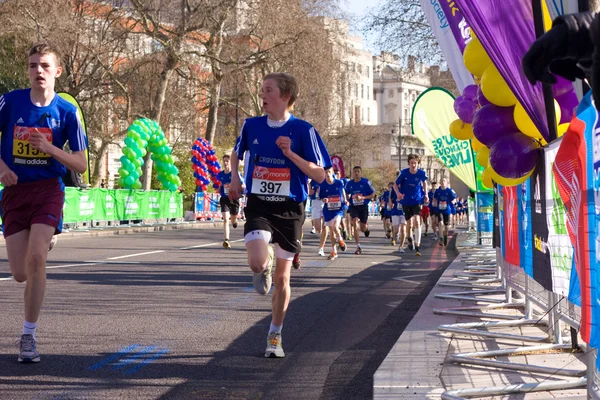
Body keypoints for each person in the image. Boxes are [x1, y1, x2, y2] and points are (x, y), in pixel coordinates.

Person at [229, 72, 330, 358]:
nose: (262, 95)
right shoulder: (252, 125)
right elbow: (237, 153)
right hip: (260, 203)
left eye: (268, 90)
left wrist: (291, 155)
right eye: (261, 90)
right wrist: (234, 178)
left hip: (290, 208)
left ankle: (275, 335)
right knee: (256, 262)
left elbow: (320, 175)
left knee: (283, 280)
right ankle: (265, 264)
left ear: (285, 96)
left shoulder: (303, 130)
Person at [0, 43, 87, 363]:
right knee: (20, 273)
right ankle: (41, 239)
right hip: (14, 191)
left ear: (57, 72)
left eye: (45, 66)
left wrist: (50, 149)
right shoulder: (10, 102)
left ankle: (28, 335)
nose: (39, 71)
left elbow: (79, 164)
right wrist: (3, 168)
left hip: (48, 190)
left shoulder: (67, 112)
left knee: (37, 258)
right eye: (33, 65)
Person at [393, 154, 428, 256]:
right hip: (406, 201)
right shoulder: (404, 173)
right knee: (409, 224)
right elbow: (395, 184)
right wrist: (398, 194)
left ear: (418, 164)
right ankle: (410, 239)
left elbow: (425, 183)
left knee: (417, 221)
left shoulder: (421, 173)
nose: (413, 165)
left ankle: (418, 245)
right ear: (408, 164)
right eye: (411, 163)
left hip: (417, 200)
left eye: (415, 163)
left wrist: (426, 194)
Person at [345, 166, 375, 255]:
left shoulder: (366, 182)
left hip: (363, 206)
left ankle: (366, 229)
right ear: (352, 173)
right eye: (354, 172)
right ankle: (358, 246)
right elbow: (346, 192)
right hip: (354, 206)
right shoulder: (349, 183)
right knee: (355, 223)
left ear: (360, 173)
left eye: (358, 171)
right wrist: (347, 198)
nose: (356, 173)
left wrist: (363, 197)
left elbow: (373, 194)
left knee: (362, 228)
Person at [320, 167, 347, 260]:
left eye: (329, 172)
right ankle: (334, 251)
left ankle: (341, 240)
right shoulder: (323, 185)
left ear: (332, 173)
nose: (327, 174)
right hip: (328, 210)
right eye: (326, 172)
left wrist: (346, 200)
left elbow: (343, 191)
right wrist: (324, 199)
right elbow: (321, 197)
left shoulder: (338, 182)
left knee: (335, 227)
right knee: (332, 230)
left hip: (338, 209)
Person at [217, 154, 243, 249]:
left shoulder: (235, 174)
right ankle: (226, 240)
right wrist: (218, 188)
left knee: (233, 219)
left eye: (227, 161)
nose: (225, 163)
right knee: (225, 219)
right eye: (224, 161)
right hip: (224, 199)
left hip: (234, 198)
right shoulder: (220, 174)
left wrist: (241, 191)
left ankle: (234, 221)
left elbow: (242, 185)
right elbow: (219, 185)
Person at [434, 178, 456, 246]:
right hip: (439, 210)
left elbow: (454, 198)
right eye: (441, 181)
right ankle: (441, 238)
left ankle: (445, 236)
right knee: (440, 223)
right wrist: (434, 203)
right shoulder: (437, 191)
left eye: (444, 181)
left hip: (447, 210)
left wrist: (453, 201)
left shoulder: (449, 191)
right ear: (440, 183)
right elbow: (434, 198)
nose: (443, 182)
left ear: (446, 183)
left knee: (446, 226)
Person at [389, 183, 406, 249]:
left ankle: (401, 246)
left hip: (404, 212)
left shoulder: (406, 186)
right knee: (396, 229)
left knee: (403, 229)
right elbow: (390, 197)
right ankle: (393, 238)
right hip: (395, 211)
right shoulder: (393, 188)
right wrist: (390, 202)